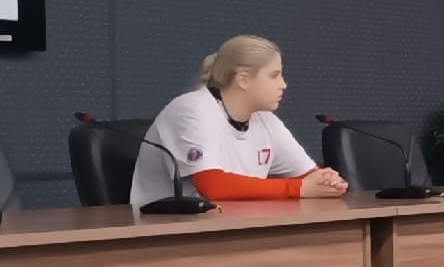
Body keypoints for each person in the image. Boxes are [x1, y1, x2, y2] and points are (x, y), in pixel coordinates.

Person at [131, 34, 349, 205]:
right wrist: (298, 188)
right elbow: (214, 186)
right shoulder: (191, 110)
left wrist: (327, 181)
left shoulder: (266, 120)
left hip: (233, 223)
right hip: (163, 232)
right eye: (274, 75)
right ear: (243, 80)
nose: (283, 84)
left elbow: (309, 176)